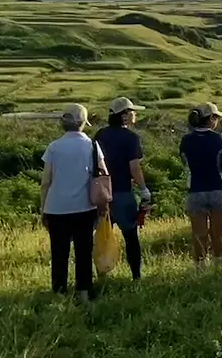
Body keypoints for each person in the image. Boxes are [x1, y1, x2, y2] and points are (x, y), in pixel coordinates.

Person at [40, 104, 104, 301]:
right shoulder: (92, 145)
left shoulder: (54, 147)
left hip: (56, 208)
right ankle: (83, 292)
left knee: (59, 253)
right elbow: (102, 173)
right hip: (85, 207)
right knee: (83, 252)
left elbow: (46, 181)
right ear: (83, 123)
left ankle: (59, 292)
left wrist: (43, 209)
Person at [94, 97, 150, 281]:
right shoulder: (131, 138)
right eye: (132, 112)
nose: (134, 115)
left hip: (102, 194)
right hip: (123, 193)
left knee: (102, 237)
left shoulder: (100, 135)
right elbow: (134, 167)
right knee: (131, 238)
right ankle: (136, 276)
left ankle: (101, 275)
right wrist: (143, 189)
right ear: (124, 115)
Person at [180, 104, 222, 267]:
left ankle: (200, 266)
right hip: (219, 189)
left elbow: (185, 163)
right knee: (217, 233)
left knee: (199, 234)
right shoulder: (219, 139)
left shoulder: (186, 140)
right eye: (216, 118)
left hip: (196, 190)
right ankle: (220, 264)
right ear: (211, 119)